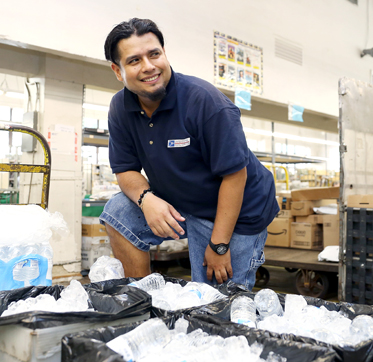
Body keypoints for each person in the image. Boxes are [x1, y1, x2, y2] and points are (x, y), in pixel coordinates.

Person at [100, 18, 279, 290]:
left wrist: (219, 246)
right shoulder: (120, 107)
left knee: (215, 302)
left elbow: (235, 176)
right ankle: (140, 298)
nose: (149, 67)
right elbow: (126, 170)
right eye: (135, 60)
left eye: (154, 54)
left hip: (237, 209)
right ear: (117, 70)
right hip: (183, 201)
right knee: (119, 211)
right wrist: (147, 200)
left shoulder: (204, 101)